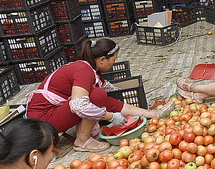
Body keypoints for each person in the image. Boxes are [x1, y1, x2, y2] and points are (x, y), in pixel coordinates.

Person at [26, 38, 173, 152]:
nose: (114, 63)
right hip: (42, 122)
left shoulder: (91, 70)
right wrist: (110, 117)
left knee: (101, 96)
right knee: (97, 95)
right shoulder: (84, 71)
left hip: (51, 115)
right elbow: (79, 106)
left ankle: (153, 114)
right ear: (102, 60)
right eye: (113, 59)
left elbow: (111, 102)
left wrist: (152, 114)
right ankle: (82, 141)